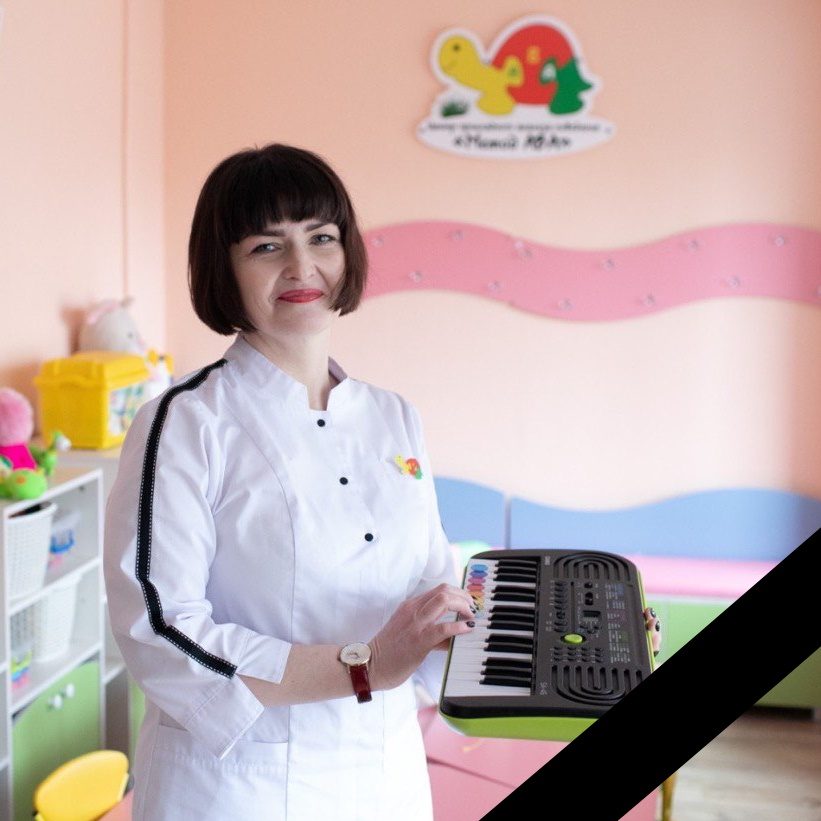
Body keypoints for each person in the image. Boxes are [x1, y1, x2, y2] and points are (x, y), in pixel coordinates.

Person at [103, 143, 477, 820]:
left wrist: (561, 647)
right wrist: (363, 665)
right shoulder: (184, 421)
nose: (302, 267)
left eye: (321, 238)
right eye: (266, 246)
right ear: (224, 269)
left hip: (385, 777)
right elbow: (160, 627)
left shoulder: (394, 417)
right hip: (237, 789)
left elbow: (428, 594)